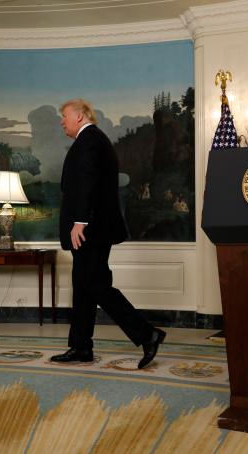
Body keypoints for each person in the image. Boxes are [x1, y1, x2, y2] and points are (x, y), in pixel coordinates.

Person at [50, 99, 166, 369]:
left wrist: (80, 221)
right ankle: (80, 347)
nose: (61, 121)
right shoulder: (91, 139)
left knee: (94, 285)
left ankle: (147, 334)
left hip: (91, 229)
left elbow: (87, 182)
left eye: (64, 116)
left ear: (79, 116)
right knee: (83, 286)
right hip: (95, 228)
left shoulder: (89, 140)